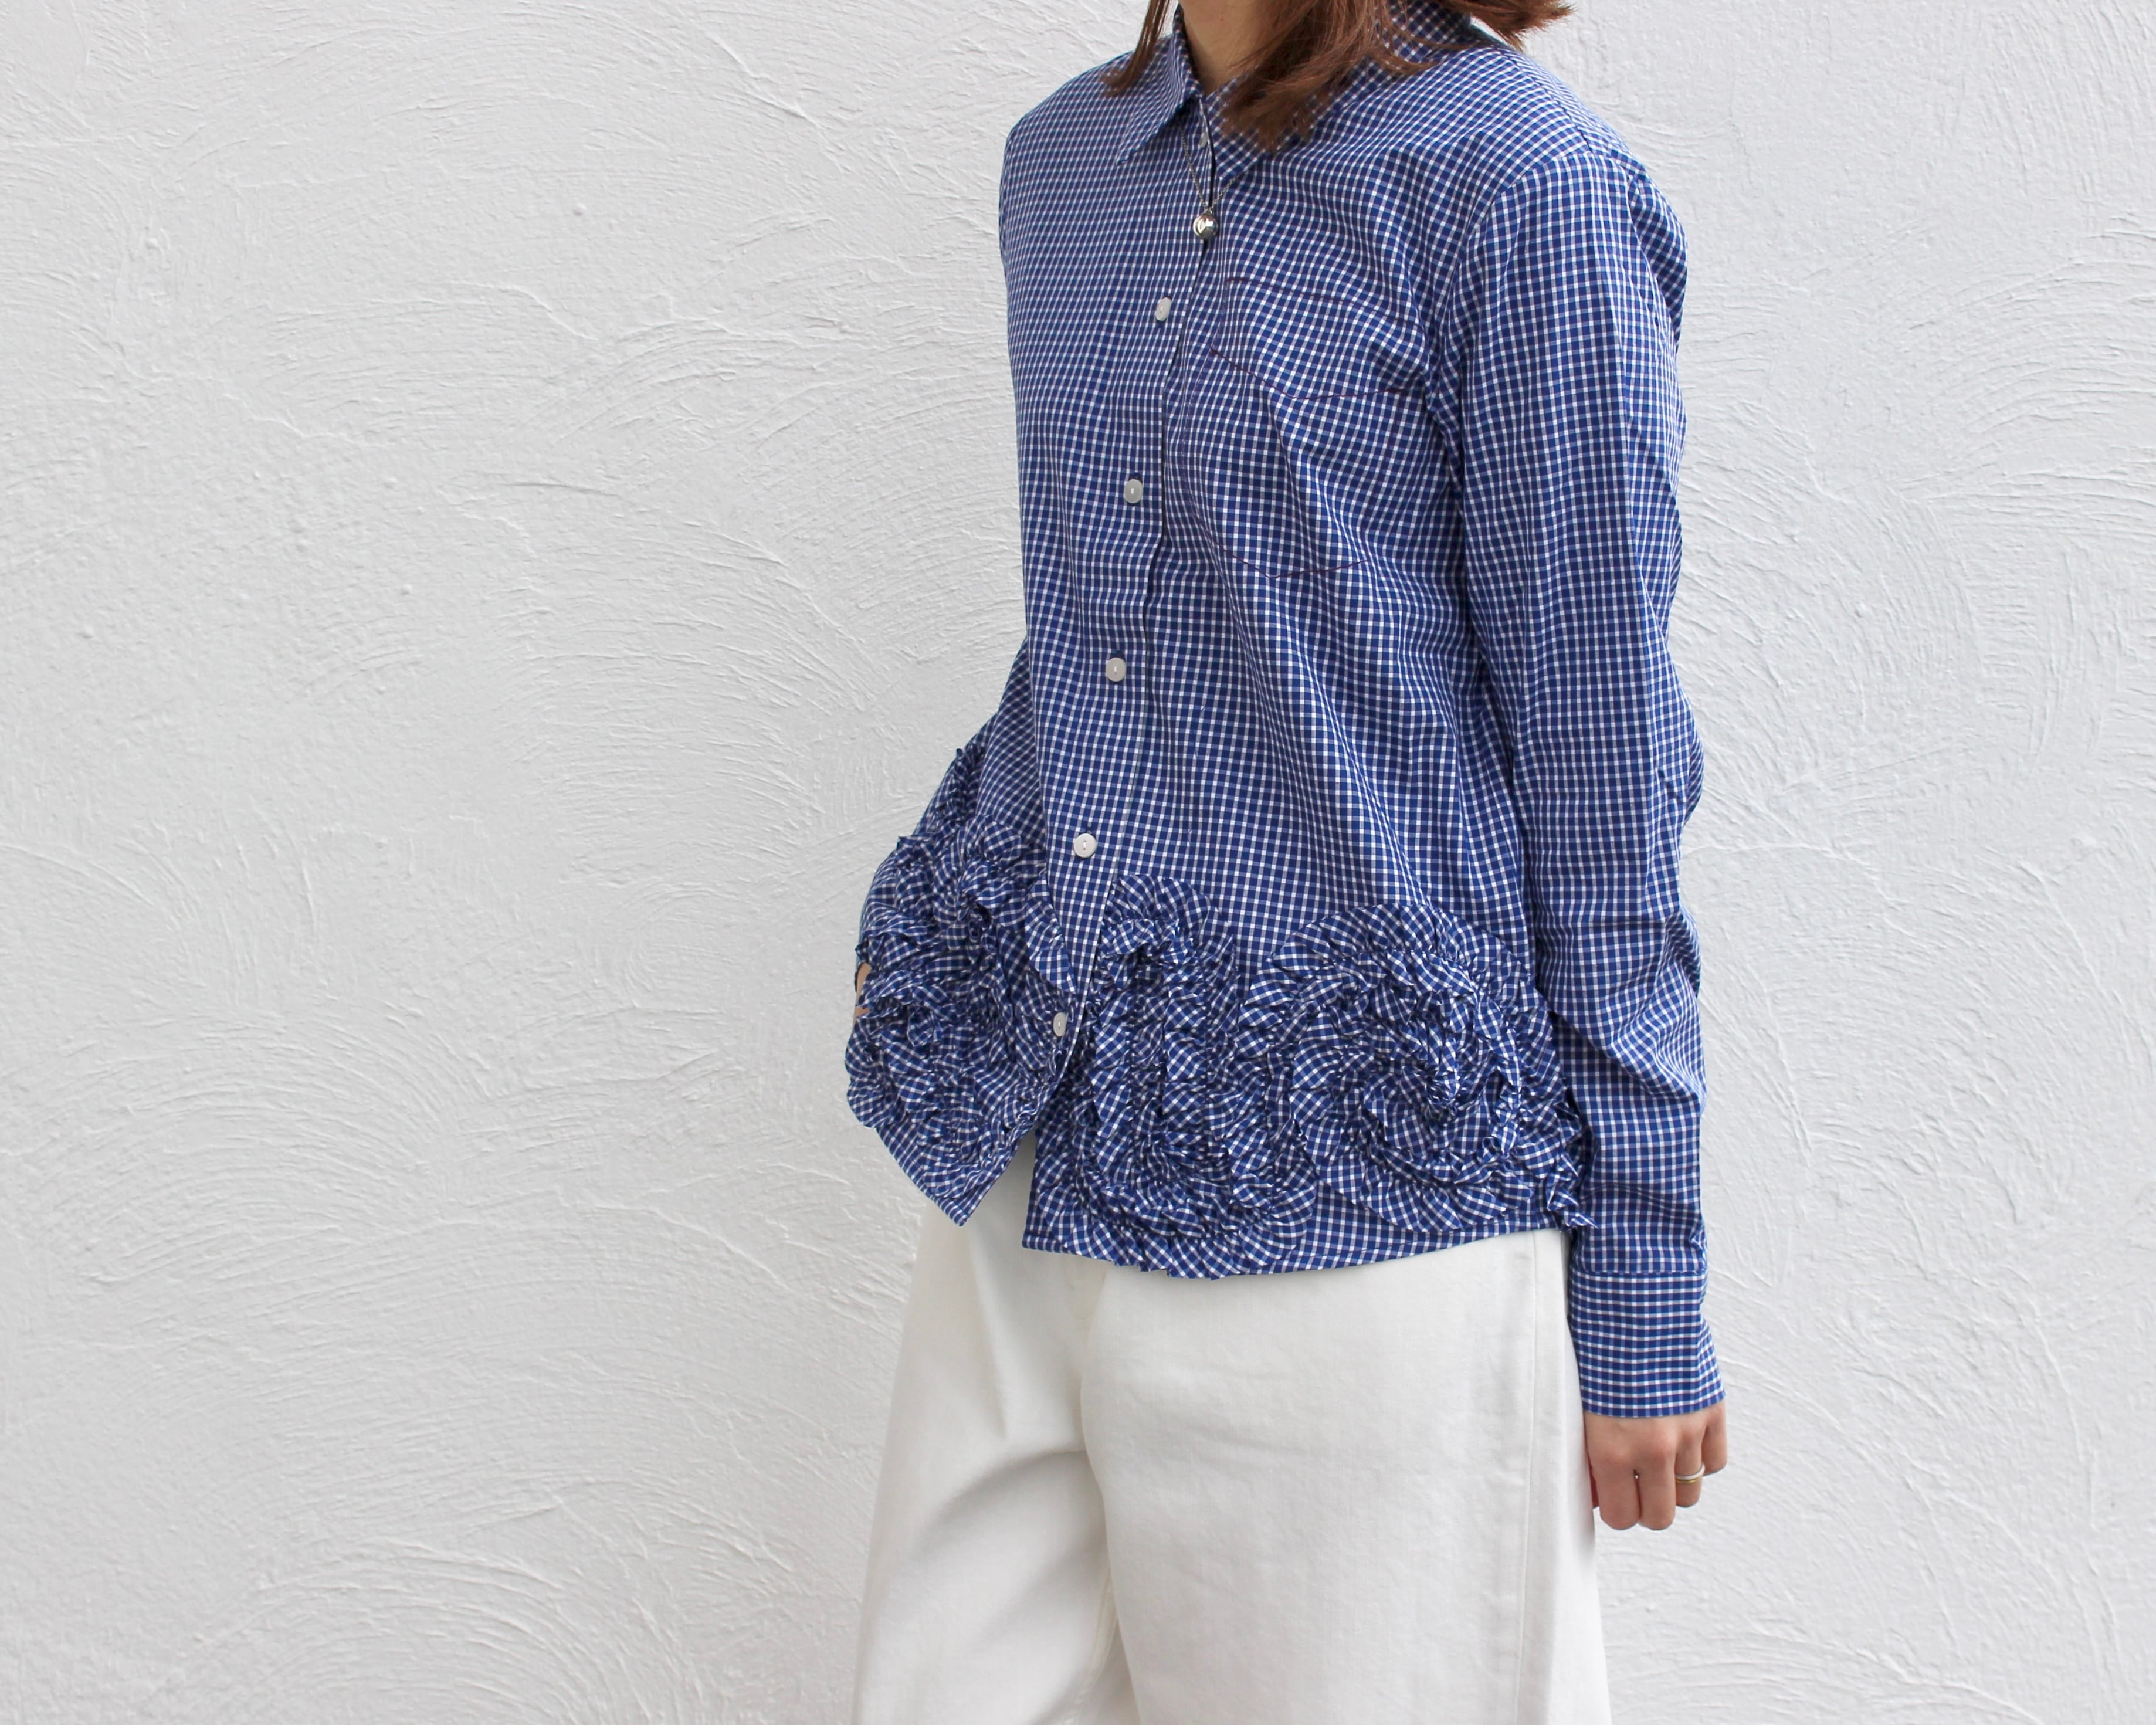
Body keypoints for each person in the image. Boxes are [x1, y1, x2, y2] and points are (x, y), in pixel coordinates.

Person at [841, 0, 1728, 1716]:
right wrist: (941, 890)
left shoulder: (1521, 187)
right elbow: (1120, 620)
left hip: (1363, 1204)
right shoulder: (1060, 165)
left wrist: (1645, 1270)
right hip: (1027, 1151)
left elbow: (1603, 764)